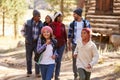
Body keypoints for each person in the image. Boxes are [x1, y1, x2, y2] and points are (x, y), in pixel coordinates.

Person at [68, 8, 91, 80]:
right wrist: (69, 44)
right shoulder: (72, 24)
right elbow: (69, 35)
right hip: (75, 44)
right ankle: (76, 75)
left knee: (85, 59)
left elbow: (89, 33)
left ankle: (84, 74)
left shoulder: (86, 23)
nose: (73, 15)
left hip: (84, 45)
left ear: (78, 15)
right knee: (75, 61)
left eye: (74, 14)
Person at [21, 10, 43, 77]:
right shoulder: (27, 22)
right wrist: (26, 37)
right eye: (38, 16)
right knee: (28, 58)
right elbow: (22, 31)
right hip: (28, 43)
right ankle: (29, 72)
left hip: (37, 43)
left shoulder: (41, 23)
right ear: (34, 16)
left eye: (40, 16)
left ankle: (37, 73)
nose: (39, 17)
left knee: (37, 57)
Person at [50, 12, 67, 80]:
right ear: (56, 17)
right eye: (59, 17)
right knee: (52, 60)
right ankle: (51, 74)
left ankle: (57, 76)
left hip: (61, 44)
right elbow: (48, 34)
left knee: (59, 61)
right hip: (53, 45)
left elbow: (65, 35)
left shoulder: (63, 25)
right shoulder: (51, 25)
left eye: (62, 17)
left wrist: (66, 43)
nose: (61, 18)